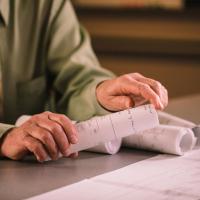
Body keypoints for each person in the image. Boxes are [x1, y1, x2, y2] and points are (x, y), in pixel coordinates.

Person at [0, 0, 168, 162]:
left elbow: (77, 76)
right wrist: (5, 136)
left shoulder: (47, 4)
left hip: (36, 169)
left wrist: (99, 93)